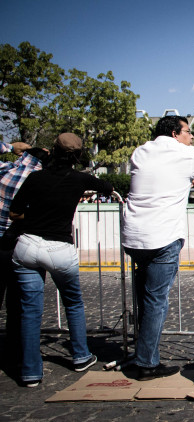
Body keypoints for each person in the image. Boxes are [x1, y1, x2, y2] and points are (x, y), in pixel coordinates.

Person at [121, 115, 194, 381]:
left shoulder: (141, 151)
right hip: (163, 235)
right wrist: (191, 180)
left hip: (134, 236)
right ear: (175, 133)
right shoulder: (186, 154)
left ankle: (142, 352)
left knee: (144, 298)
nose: (192, 137)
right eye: (188, 132)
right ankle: (147, 362)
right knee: (156, 300)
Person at [9, 133, 113, 387]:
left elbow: (15, 212)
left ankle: (31, 372)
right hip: (60, 248)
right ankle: (80, 356)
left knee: (30, 311)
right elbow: (108, 187)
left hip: (29, 245)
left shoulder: (35, 178)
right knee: (73, 304)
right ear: (77, 156)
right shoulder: (80, 179)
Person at [0, 141, 48, 367]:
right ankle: (16, 351)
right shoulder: (37, 180)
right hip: (18, 242)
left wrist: (9, 146)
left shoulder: (6, 170)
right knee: (19, 301)